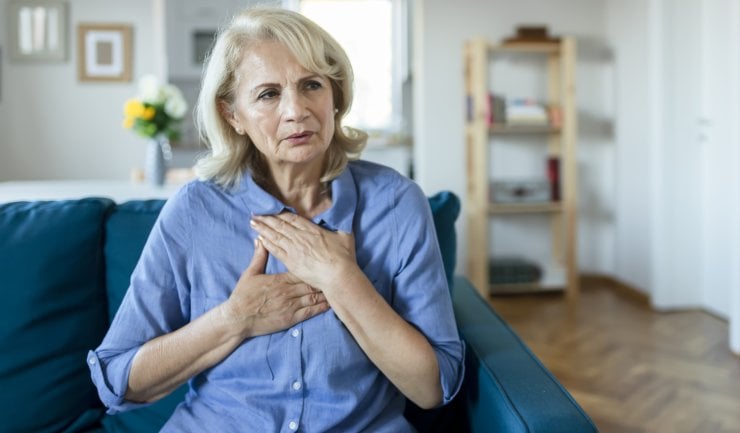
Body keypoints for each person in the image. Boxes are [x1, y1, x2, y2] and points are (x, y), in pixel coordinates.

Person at [88, 6, 464, 432]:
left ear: (335, 95)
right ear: (233, 115)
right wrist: (235, 318)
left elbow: (432, 388)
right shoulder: (194, 211)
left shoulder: (396, 203)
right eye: (268, 94)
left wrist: (342, 279)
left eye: (311, 85)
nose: (296, 110)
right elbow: (118, 379)